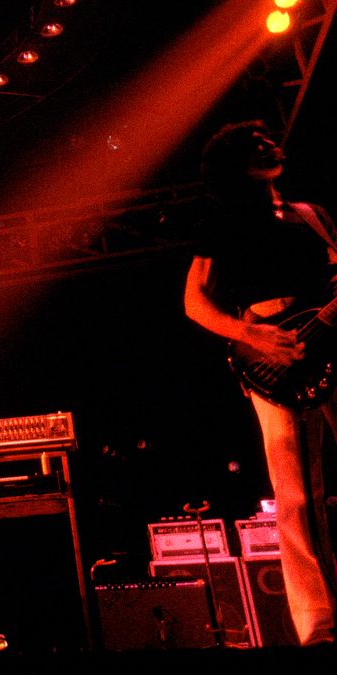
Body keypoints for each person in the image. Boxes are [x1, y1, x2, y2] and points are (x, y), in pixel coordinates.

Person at [184, 120, 337, 646]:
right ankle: (320, 623)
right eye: (254, 145)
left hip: (331, 341)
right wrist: (247, 332)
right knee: (296, 494)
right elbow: (194, 301)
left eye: (269, 139)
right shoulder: (220, 223)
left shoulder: (312, 215)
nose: (269, 145)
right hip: (270, 358)